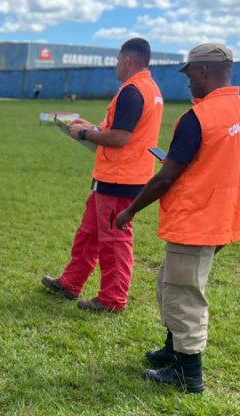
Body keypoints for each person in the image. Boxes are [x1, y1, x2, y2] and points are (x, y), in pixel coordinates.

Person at [115, 43, 240, 393]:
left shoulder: (199, 117)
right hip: (224, 217)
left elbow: (165, 177)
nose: (188, 82)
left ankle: (188, 373)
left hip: (197, 221)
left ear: (204, 71)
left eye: (190, 74)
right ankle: (172, 350)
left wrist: (130, 210)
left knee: (183, 294)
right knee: (170, 283)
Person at [41, 38, 164, 312]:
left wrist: (85, 134)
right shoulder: (148, 88)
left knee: (115, 241)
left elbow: (120, 138)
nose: (116, 65)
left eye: (118, 60)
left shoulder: (133, 90)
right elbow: (123, 130)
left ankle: (112, 299)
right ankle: (71, 283)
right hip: (114, 176)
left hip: (121, 179)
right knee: (89, 234)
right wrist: (93, 127)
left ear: (128, 60)